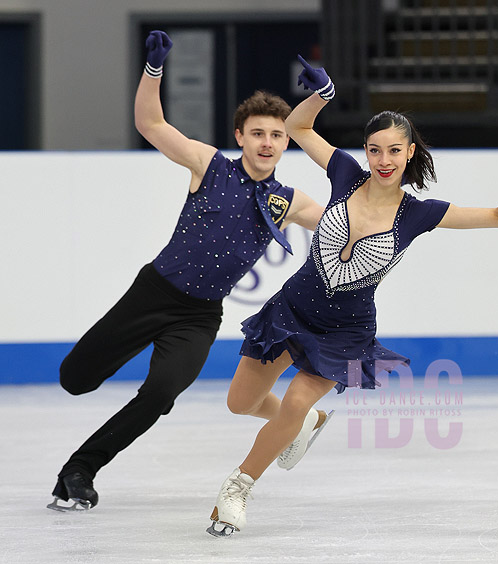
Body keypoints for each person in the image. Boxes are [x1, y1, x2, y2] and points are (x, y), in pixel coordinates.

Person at [206, 54, 498, 536]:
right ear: (365, 151)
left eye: (394, 151)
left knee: (295, 401)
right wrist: (323, 94)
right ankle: (303, 425)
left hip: (345, 332)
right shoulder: (344, 174)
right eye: (375, 150)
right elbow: (298, 127)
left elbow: (496, 217)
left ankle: (237, 489)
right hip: (292, 309)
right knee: (240, 402)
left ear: (409, 154)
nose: (384, 160)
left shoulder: (419, 213)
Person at [47, 32, 325, 512]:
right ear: (240, 137)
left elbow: (347, 226)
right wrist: (153, 70)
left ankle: (80, 469)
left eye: (277, 135)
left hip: (199, 316)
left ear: (286, 143)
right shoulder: (209, 165)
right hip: (152, 293)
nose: (267, 142)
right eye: (257, 133)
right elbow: (150, 123)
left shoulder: (288, 200)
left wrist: (321, 101)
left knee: (160, 393)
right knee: (75, 379)